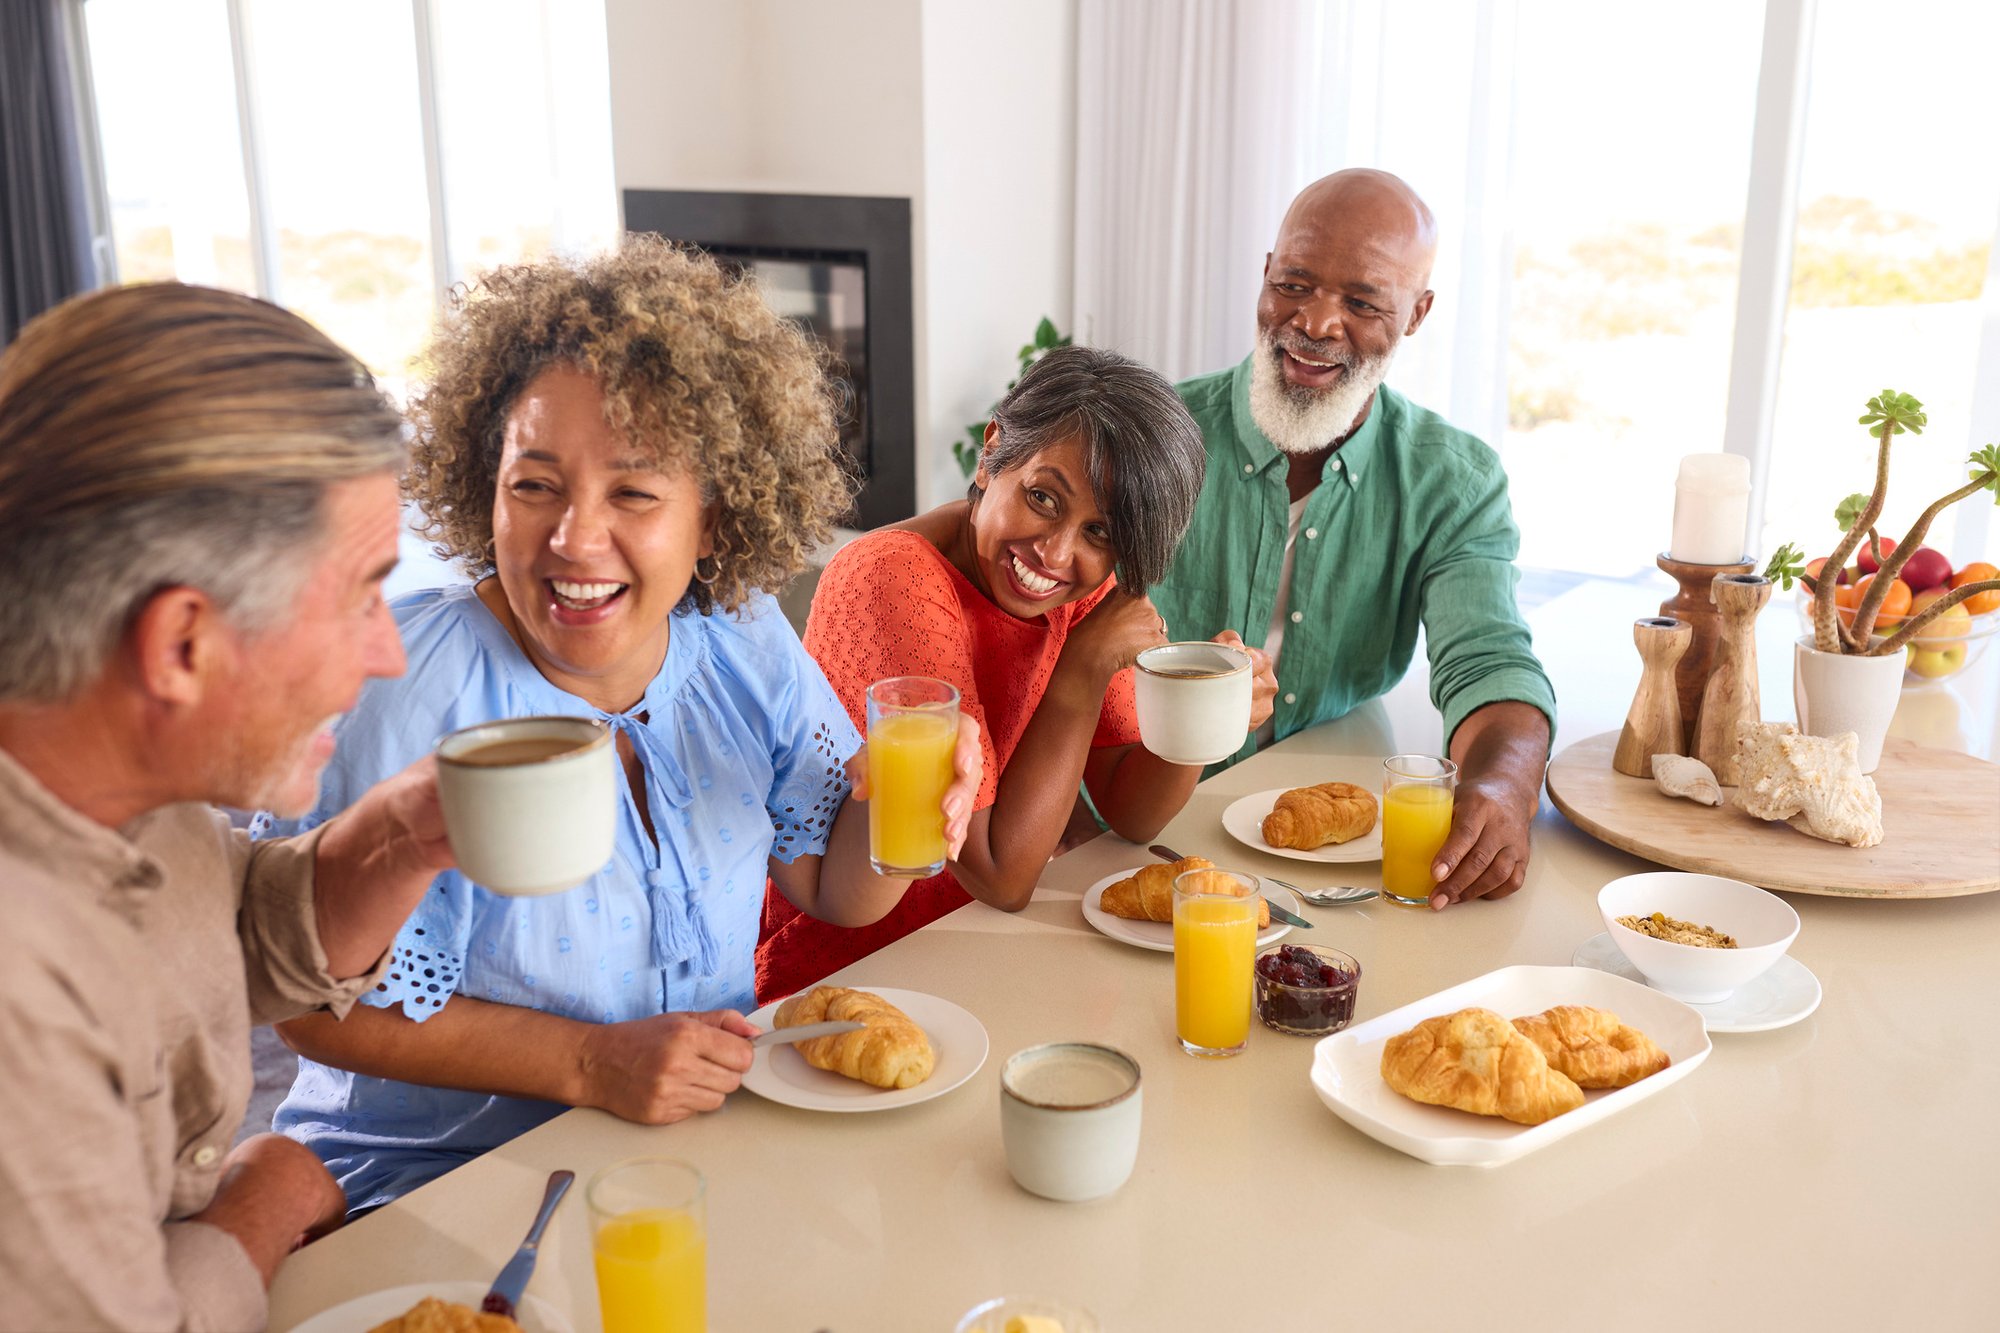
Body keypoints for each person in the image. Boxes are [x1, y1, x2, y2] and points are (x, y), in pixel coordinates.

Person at [264, 237, 980, 1213]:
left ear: (713, 519)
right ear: (488, 483)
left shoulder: (740, 640)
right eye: (533, 483)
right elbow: (311, 1006)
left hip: (681, 1150)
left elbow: (832, 888)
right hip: (427, 1191)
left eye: (633, 492)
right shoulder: (410, 684)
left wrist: (910, 822)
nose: (572, 536)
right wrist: (590, 1062)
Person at [0, 284, 459, 1330]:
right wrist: (266, 1199)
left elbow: (227, 927)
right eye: (359, 595)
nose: (385, 650)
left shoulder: (123, 783)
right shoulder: (17, 994)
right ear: (182, 647)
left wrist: (402, 832)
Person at [758, 345, 1276, 1000]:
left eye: (1100, 532)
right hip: (857, 971)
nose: (1055, 553)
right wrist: (1082, 669)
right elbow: (998, 873)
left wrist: (1208, 711)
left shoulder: (1075, 586)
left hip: (990, 954)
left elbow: (1130, 808)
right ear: (992, 449)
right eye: (1042, 497)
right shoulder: (893, 576)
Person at [1152, 168, 1556, 910]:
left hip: (1325, 856)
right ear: (1266, 273)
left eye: (1363, 301)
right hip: (1138, 828)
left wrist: (1502, 787)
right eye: (1296, 284)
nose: (1316, 323)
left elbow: (1490, 661)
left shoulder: (1453, 479)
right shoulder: (1154, 438)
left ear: (1417, 313)